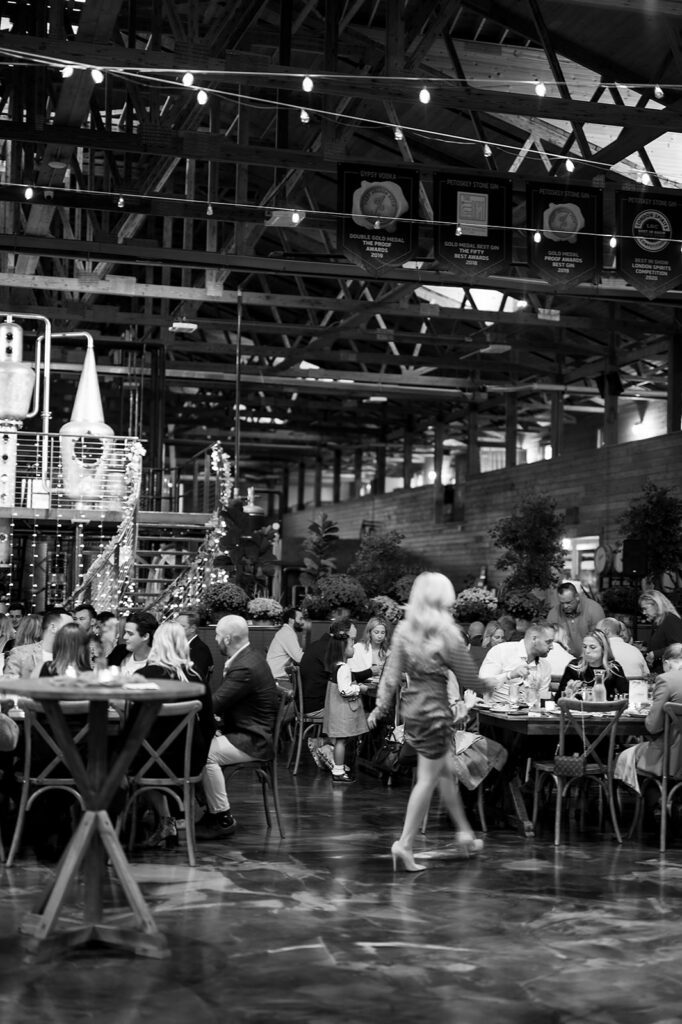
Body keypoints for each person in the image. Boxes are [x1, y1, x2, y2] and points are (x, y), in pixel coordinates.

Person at [367, 572, 482, 872]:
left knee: (444, 774)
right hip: (434, 713)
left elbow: (390, 676)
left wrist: (379, 708)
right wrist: (501, 680)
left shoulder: (405, 630)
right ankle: (404, 844)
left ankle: (465, 835)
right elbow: (471, 679)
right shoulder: (447, 633)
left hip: (413, 711)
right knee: (430, 779)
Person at [133, 621, 215, 849]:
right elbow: (209, 725)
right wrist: (199, 760)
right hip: (188, 762)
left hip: (149, 761)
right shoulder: (196, 679)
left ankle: (147, 823)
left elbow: (133, 726)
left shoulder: (143, 677)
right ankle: (166, 821)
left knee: (129, 760)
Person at [197, 615, 279, 839]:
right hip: (247, 731)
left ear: (227, 639)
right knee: (200, 745)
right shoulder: (249, 657)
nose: (214, 639)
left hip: (253, 739)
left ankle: (222, 817)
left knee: (204, 754)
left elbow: (214, 704)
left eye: (217, 635)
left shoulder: (244, 667)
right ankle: (210, 809)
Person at [615, 644, 682, 789]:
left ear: (666, 662)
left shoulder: (667, 679)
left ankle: (652, 807)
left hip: (672, 755)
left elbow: (653, 726)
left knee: (624, 757)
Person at [323, 619, 371, 784]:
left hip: (335, 708)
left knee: (340, 741)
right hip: (342, 709)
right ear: (343, 647)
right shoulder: (343, 668)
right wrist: (360, 689)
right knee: (341, 741)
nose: (354, 648)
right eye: (351, 645)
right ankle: (338, 770)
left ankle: (339, 768)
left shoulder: (335, 665)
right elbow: (344, 690)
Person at [478, 622, 555, 705]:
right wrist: (510, 675)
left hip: (529, 715)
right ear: (534, 639)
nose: (552, 647)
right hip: (495, 713)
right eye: (548, 642)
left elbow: (541, 700)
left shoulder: (545, 666)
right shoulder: (502, 651)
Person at [557, 629, 627, 701]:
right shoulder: (574, 667)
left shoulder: (613, 668)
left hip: (606, 710)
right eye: (584, 647)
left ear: (603, 649)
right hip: (578, 710)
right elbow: (558, 699)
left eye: (592, 647)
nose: (587, 651)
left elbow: (626, 697)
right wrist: (568, 693)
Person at [4, 609, 73, 677]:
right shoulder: (21, 654)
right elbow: (8, 684)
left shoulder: (77, 654)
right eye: (69, 627)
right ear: (53, 627)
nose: (74, 631)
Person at [547, 581, 605, 658]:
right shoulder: (554, 613)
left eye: (568, 602)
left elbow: (599, 641)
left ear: (577, 597)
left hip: (591, 658)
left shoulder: (594, 610)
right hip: (564, 659)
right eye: (562, 603)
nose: (565, 606)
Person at [639, 590, 682, 673]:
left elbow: (679, 646)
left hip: (670, 673)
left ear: (656, 604)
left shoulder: (670, 619)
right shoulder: (659, 622)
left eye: (645, 608)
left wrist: (655, 654)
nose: (644, 613)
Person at [108, 610, 158, 675]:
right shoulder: (119, 652)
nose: (124, 637)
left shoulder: (157, 664)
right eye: (125, 632)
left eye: (130, 634)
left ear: (145, 636)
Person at [266, 606, 305, 684]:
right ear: (291, 620)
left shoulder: (286, 631)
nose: (302, 622)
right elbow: (299, 658)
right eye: (300, 619)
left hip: (275, 676)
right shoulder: (287, 633)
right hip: (278, 679)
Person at [349, 616, 389, 691]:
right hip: (361, 689)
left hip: (381, 689)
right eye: (376, 632)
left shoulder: (388, 651)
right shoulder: (358, 648)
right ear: (369, 632)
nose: (379, 636)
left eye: (382, 633)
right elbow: (351, 675)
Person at [176, 607, 213, 686]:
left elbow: (195, 678)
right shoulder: (181, 645)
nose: (176, 629)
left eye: (182, 626)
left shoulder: (200, 649)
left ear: (192, 628)